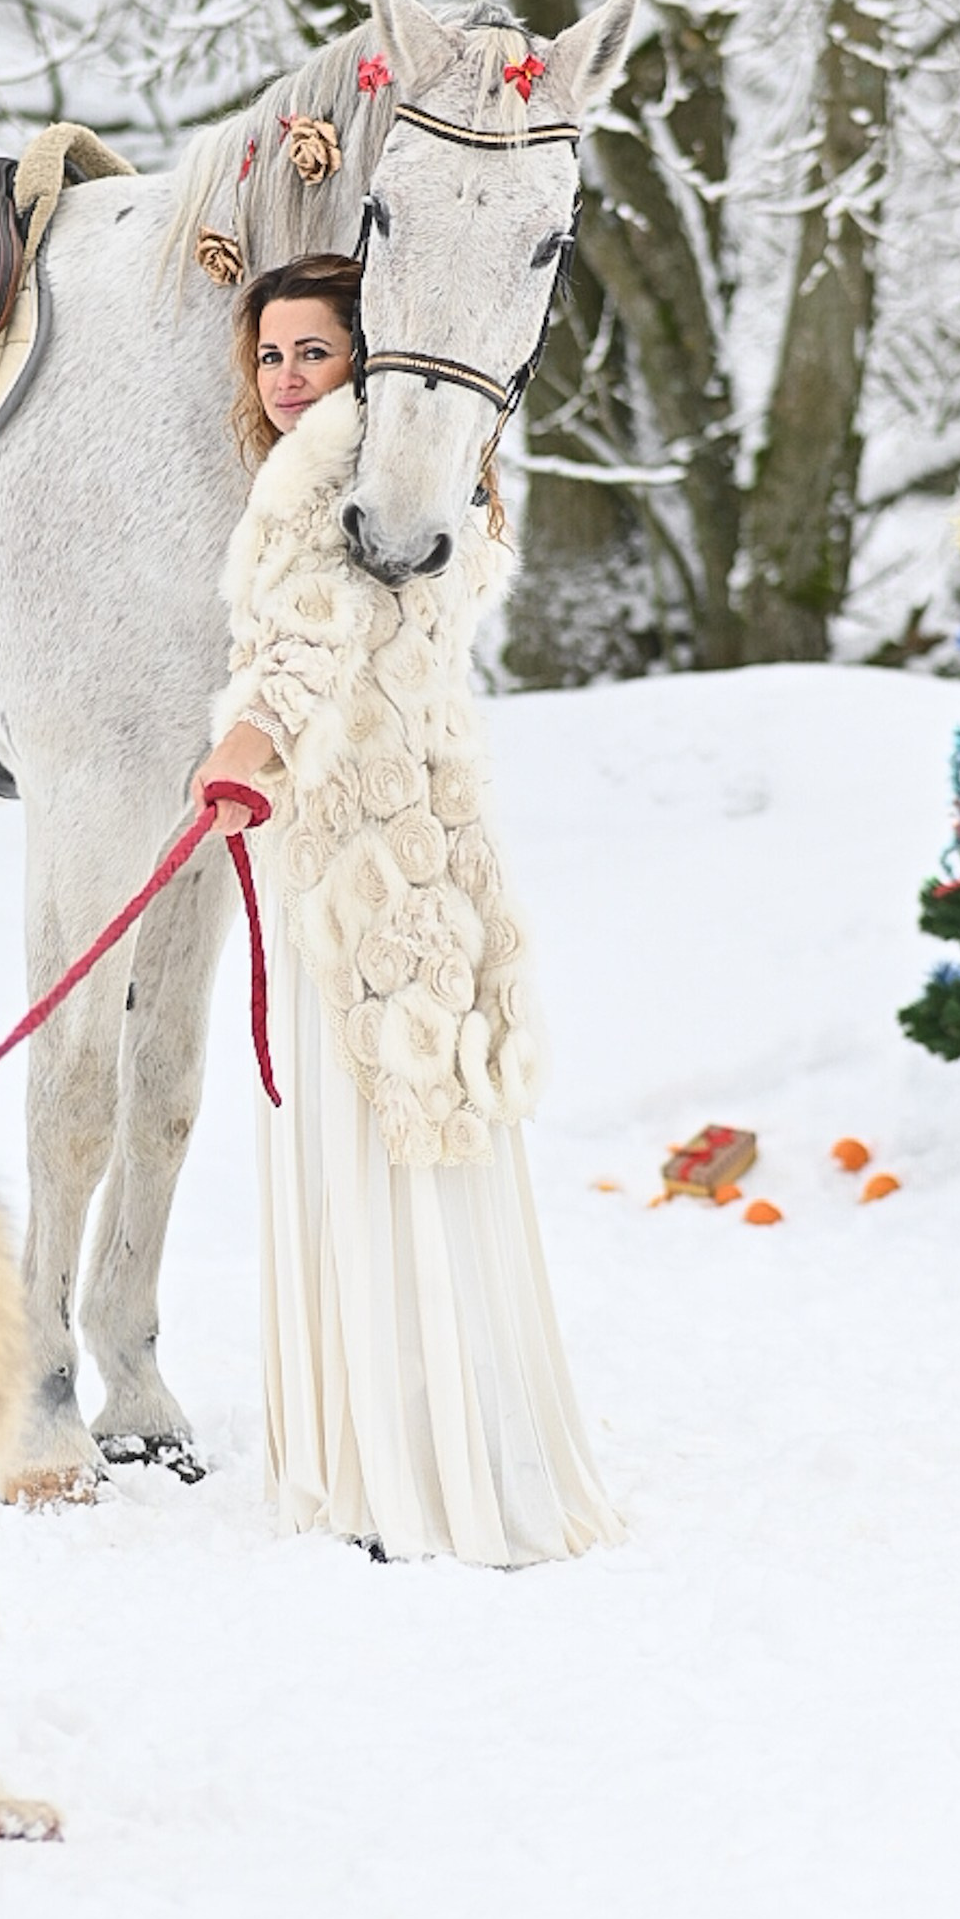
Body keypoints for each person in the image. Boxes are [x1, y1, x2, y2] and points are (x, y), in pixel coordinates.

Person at [195, 256, 617, 1568]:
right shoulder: (440, 472)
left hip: (347, 848)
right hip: (419, 830)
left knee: (360, 1134)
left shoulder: (332, 467)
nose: (285, 379)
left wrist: (242, 749)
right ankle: (452, 1441)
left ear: (364, 357)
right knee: (425, 1122)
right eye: (268, 356)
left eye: (311, 351)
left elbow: (304, 638)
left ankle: (390, 1474)